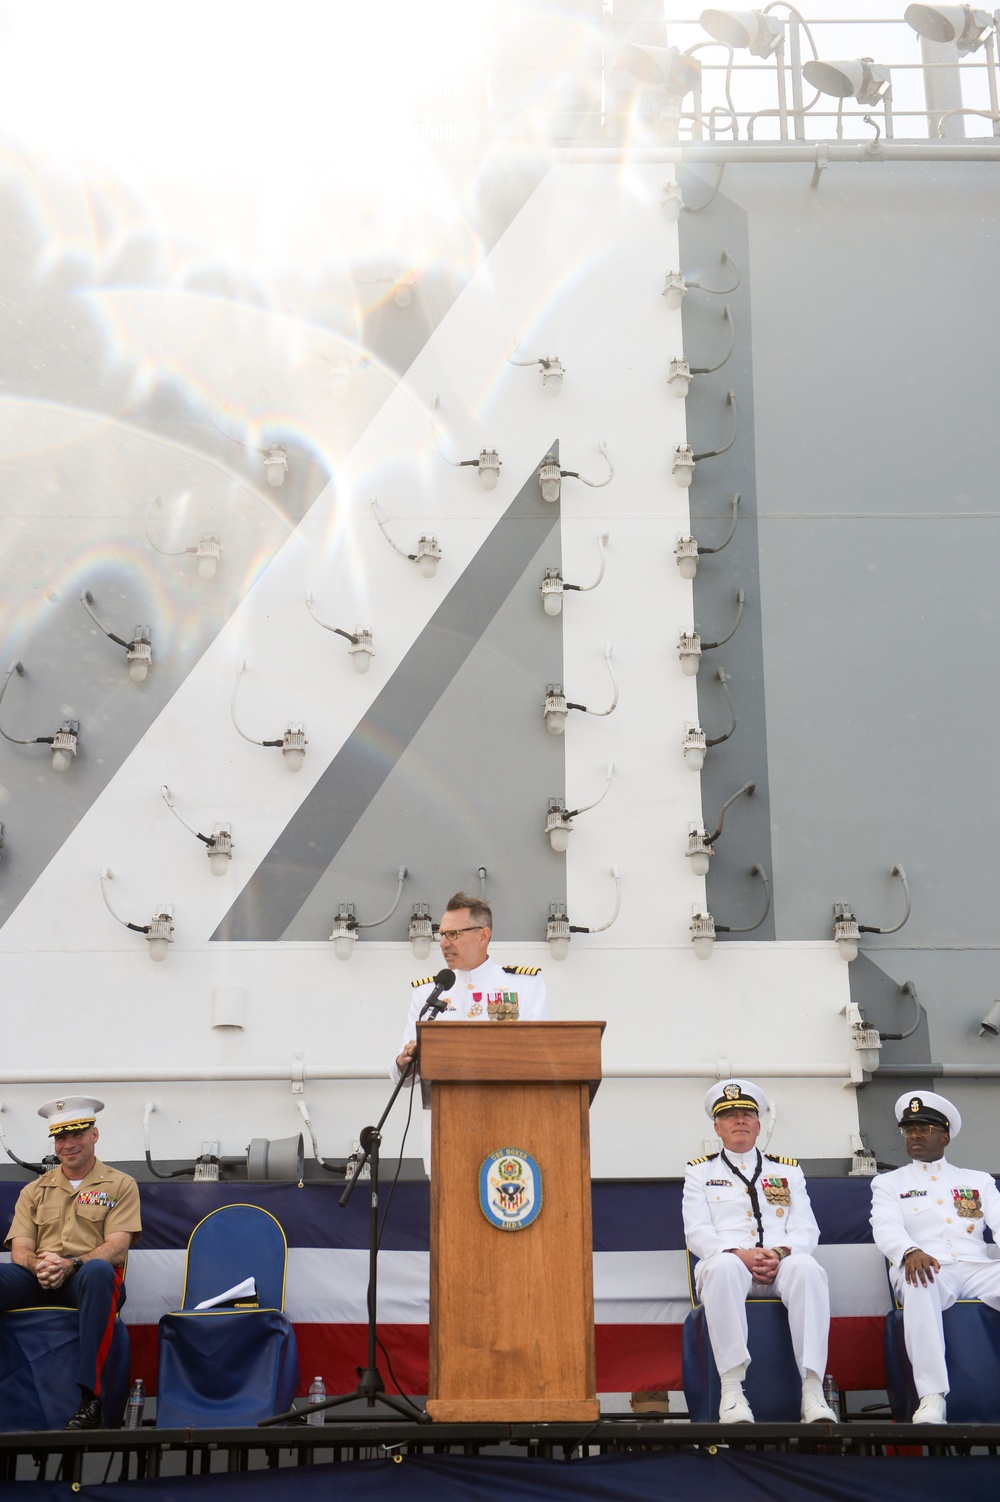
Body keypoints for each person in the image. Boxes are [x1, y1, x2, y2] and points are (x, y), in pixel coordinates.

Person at [682, 1078, 838, 1424]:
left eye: (746, 1114)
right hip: (730, 1264)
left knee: (809, 1269)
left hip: (779, 1263)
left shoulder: (787, 1171)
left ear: (757, 1124)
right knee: (721, 1268)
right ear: (717, 1127)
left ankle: (812, 1391)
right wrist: (739, 1254)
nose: (739, 1120)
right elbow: (697, 1232)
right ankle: (732, 1391)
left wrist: (780, 1253)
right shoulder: (699, 1172)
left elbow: (806, 1229)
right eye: (730, 1115)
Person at [0, 1096, 142, 1430]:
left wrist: (71, 1265)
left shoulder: (120, 1184)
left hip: (85, 1282)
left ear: (94, 1135)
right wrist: (39, 1267)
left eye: (77, 1135)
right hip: (40, 1277)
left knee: (98, 1271)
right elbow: (20, 1249)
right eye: (61, 1138)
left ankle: (89, 1401)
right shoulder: (34, 1190)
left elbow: (117, 1247)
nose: (68, 1144)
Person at [870, 1090, 1000, 1424]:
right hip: (927, 1268)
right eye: (909, 1129)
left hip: (975, 1268)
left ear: (945, 1136)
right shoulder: (888, 1183)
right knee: (919, 1282)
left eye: (924, 1129)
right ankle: (931, 1397)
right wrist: (909, 1250)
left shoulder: (977, 1181)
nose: (914, 1135)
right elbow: (885, 1227)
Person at [392, 893, 548, 1167]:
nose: (443, 943)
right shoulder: (427, 992)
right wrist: (404, 1061)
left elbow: (538, 1058)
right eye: (441, 934)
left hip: (510, 1124)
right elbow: (403, 1077)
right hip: (446, 1133)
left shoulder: (524, 985)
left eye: (453, 934)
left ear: (482, 935)